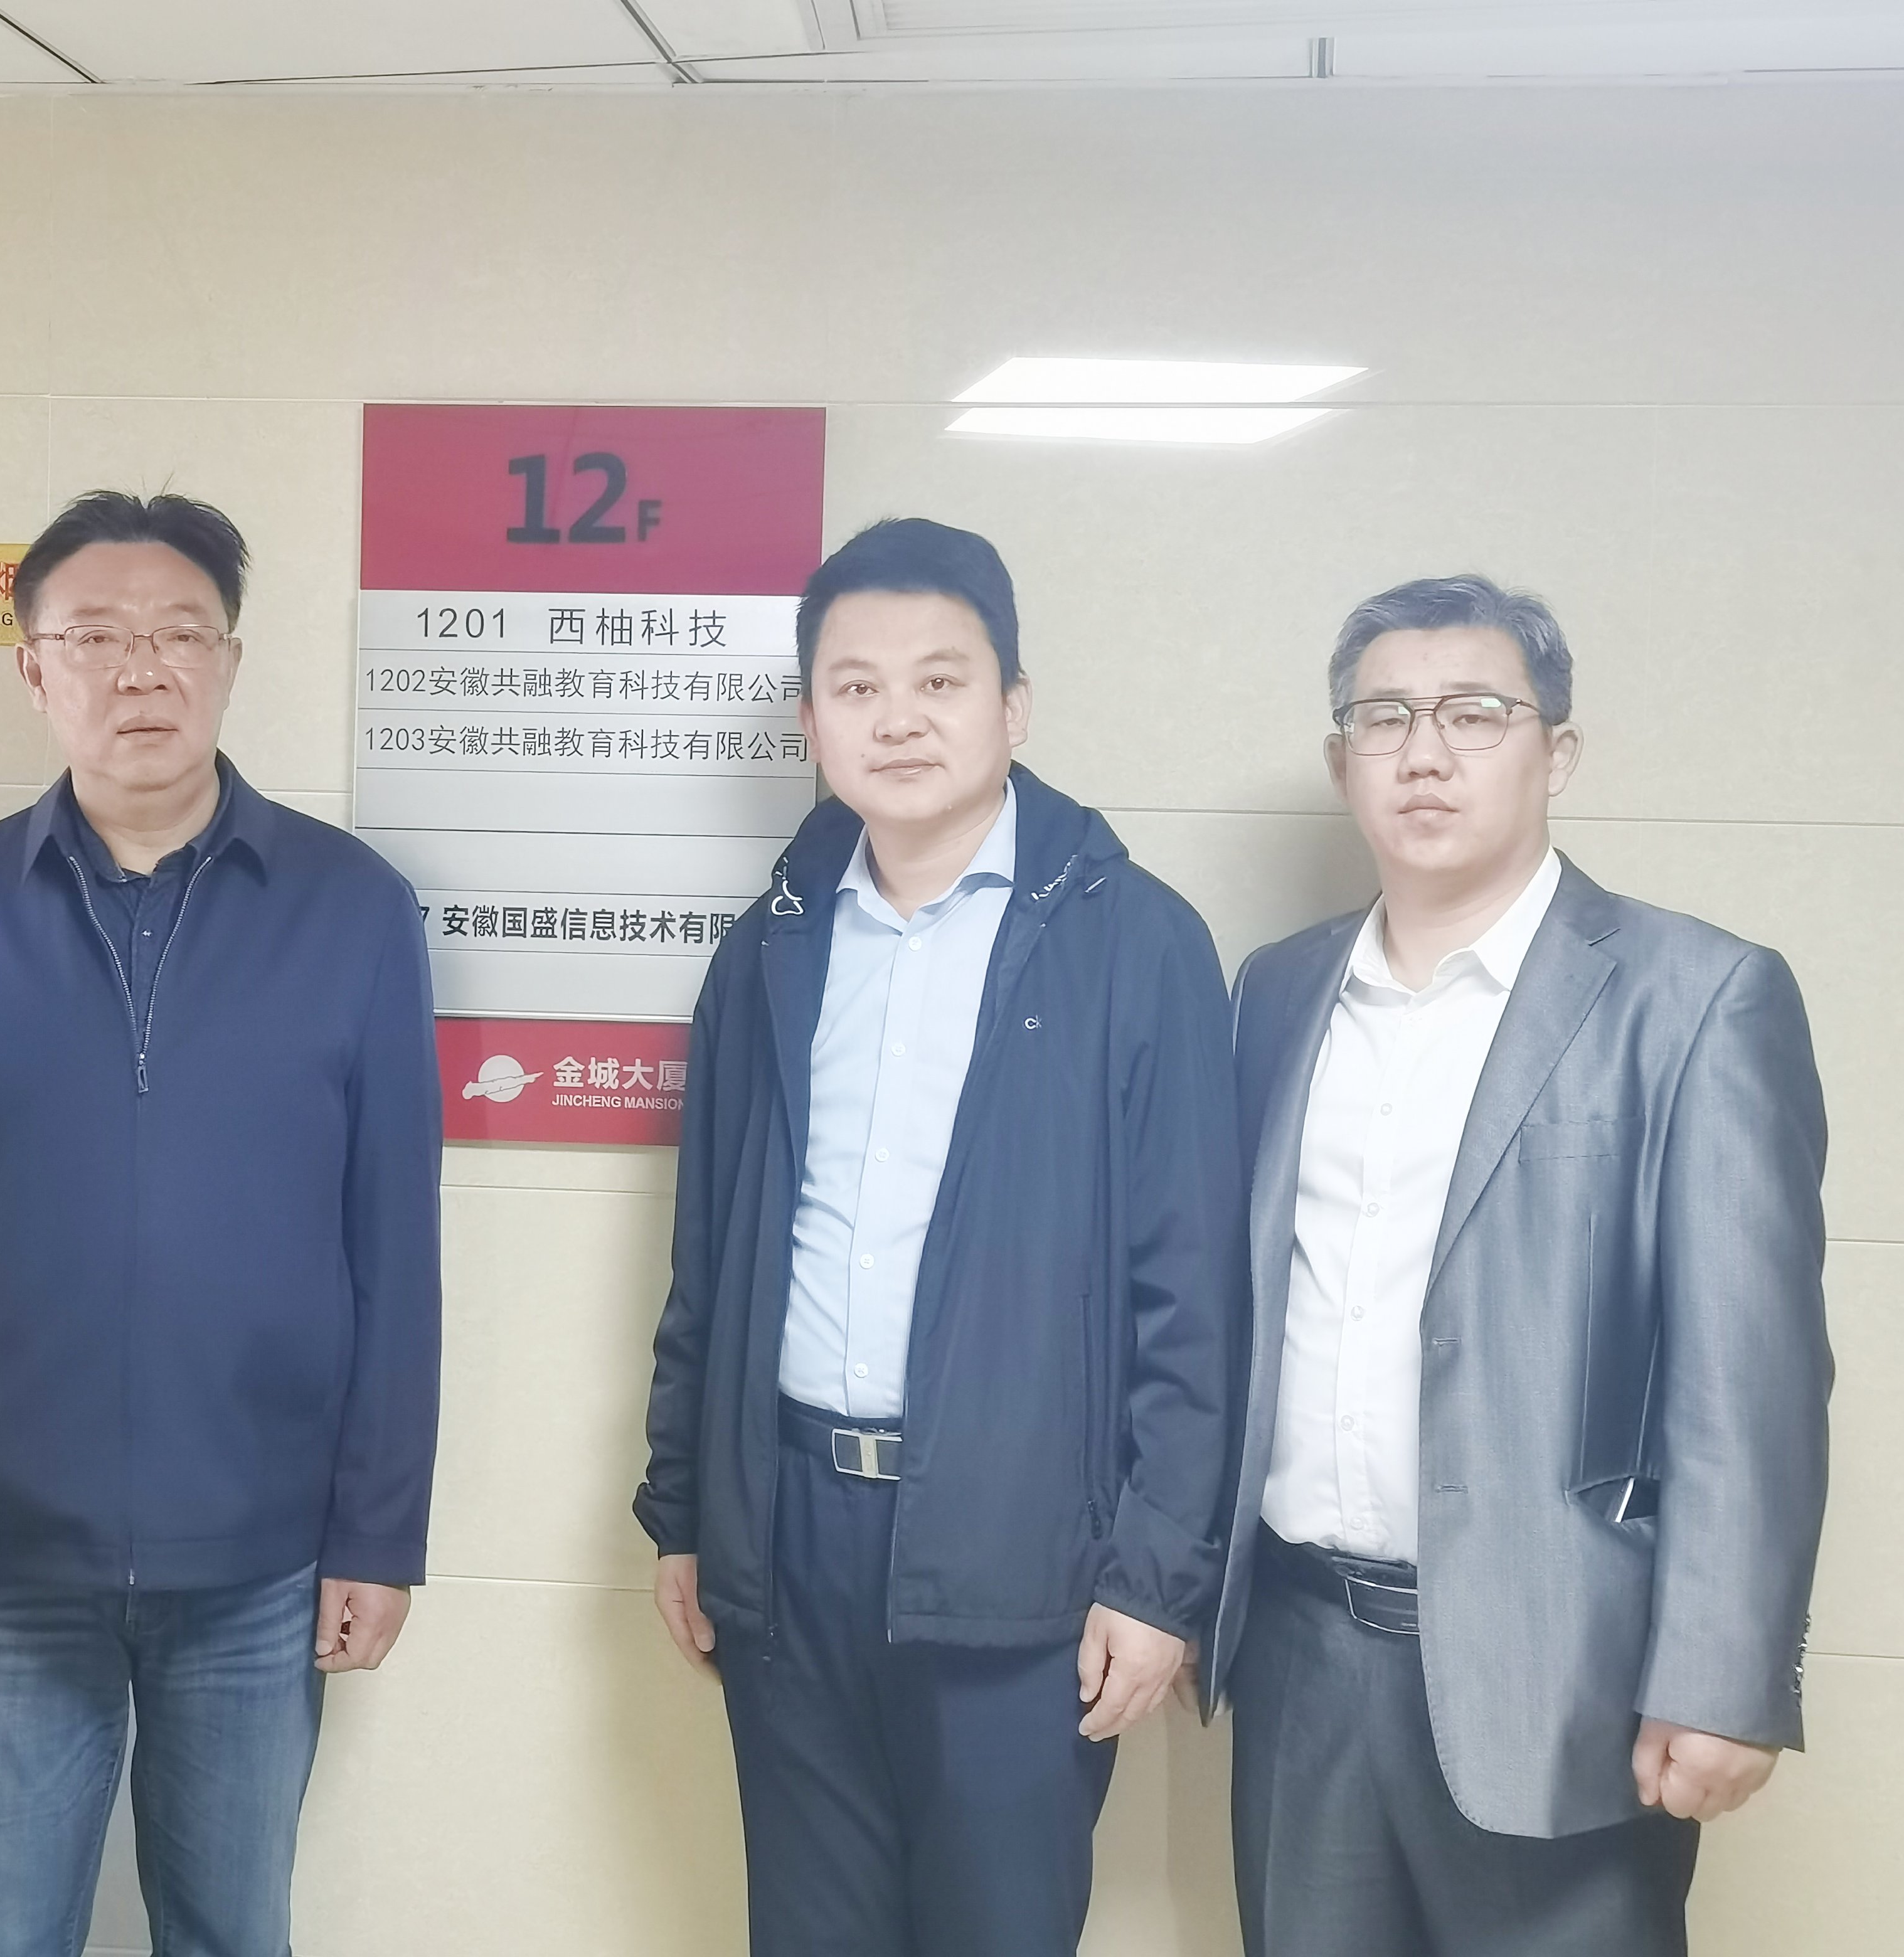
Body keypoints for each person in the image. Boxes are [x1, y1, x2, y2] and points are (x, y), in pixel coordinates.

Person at [634, 517, 1243, 1957]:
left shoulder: (1134, 943)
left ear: (1012, 708)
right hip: (788, 1540)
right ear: (809, 725)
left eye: (939, 681)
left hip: (1019, 1551)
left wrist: (1154, 1578)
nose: (897, 719)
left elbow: (1191, 1293)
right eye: (855, 687)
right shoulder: (772, 943)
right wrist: (687, 1512)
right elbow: (709, 1253)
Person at [0, 490, 442, 1957]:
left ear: (230, 662)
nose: (142, 671)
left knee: (234, 1931)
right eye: (96, 638)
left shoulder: (353, 911)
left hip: (262, 1557)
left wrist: (379, 1533)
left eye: (180, 634)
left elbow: (393, 1244)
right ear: (32, 670)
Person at [1205, 575, 1832, 1956]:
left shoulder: (1695, 996)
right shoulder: (1275, 992)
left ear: (1557, 752)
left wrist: (1723, 1676)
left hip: (1566, 1672)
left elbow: (1752, 1381)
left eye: (1475, 714)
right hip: (1301, 1659)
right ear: (1342, 762)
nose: (1424, 752)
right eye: (1384, 718)